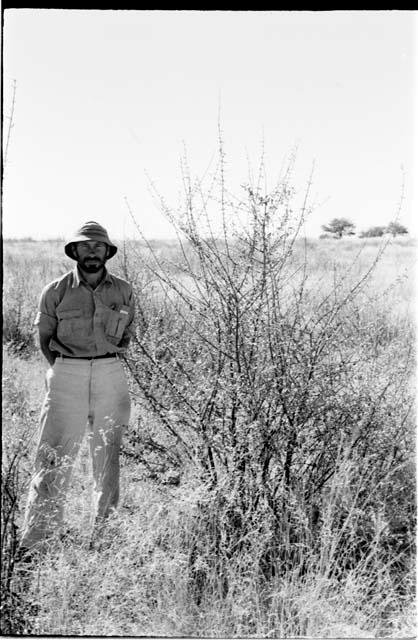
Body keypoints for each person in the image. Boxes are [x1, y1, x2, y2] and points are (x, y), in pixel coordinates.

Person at [19, 221, 135, 554]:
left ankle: (105, 538)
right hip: (66, 373)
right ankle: (38, 542)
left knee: (108, 456)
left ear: (108, 252)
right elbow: (44, 339)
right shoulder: (55, 290)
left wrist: (101, 365)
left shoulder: (123, 290)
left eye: (99, 246)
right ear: (74, 251)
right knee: (53, 455)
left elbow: (127, 333)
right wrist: (65, 370)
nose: (92, 252)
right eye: (85, 246)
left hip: (110, 373)